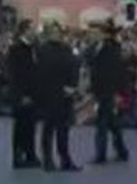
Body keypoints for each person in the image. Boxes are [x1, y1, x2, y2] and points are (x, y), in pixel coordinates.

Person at [34, 23, 82, 172]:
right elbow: (42, 74)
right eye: (53, 32)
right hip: (50, 95)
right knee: (48, 129)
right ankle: (47, 159)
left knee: (63, 129)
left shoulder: (66, 49)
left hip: (65, 95)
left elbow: (74, 67)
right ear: (48, 34)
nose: (57, 34)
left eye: (58, 32)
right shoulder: (42, 51)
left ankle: (65, 159)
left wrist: (72, 86)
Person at [89, 21, 131, 165]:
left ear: (104, 34)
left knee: (101, 123)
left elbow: (116, 71)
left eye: (97, 32)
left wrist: (118, 91)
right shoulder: (97, 47)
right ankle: (122, 150)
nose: (93, 35)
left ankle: (100, 154)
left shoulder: (112, 48)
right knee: (112, 123)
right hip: (100, 89)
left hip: (108, 89)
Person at [5, 20, 41, 169]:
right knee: (20, 126)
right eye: (33, 29)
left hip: (33, 93)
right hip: (21, 94)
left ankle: (31, 154)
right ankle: (18, 156)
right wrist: (21, 95)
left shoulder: (34, 48)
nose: (35, 32)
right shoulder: (16, 49)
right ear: (25, 31)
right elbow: (14, 74)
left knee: (31, 126)